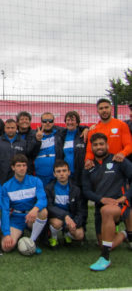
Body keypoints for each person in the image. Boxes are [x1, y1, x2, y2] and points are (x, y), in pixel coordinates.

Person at [82, 133, 132, 271]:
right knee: (103, 242)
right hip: (100, 207)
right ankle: (125, 234)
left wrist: (125, 197)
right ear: (91, 147)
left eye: (101, 144)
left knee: (107, 211)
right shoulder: (88, 166)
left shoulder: (118, 160)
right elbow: (86, 191)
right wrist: (101, 199)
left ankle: (105, 257)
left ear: (107, 145)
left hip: (120, 205)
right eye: (96, 145)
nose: (99, 147)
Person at [1, 154, 48, 254]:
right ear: (13, 167)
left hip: (31, 216)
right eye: (18, 165)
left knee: (43, 211)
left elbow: (43, 199)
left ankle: (32, 241)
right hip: (16, 219)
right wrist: (7, 233)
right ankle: (17, 235)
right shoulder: (6, 186)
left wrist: (35, 209)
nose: (22, 168)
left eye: (24, 165)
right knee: (6, 248)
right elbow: (5, 211)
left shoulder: (36, 181)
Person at [45, 160, 84, 248]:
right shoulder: (49, 188)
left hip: (71, 218)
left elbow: (80, 210)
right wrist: (65, 216)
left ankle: (67, 234)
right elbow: (49, 207)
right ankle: (54, 237)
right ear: (54, 174)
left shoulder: (76, 189)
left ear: (69, 172)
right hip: (56, 217)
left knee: (79, 235)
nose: (61, 174)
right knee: (57, 223)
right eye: (58, 171)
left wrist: (75, 223)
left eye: (64, 171)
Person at [85, 98, 132, 169]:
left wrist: (122, 154)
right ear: (97, 111)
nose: (104, 110)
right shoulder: (93, 130)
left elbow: (129, 145)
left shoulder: (121, 125)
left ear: (111, 108)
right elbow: (89, 150)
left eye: (106, 107)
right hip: (100, 167)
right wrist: (88, 160)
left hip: (118, 164)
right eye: (101, 108)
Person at [0, 119, 27, 185]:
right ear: (4, 129)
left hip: (17, 177)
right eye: (8, 128)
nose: (10, 130)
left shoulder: (23, 143)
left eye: (12, 128)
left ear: (16, 128)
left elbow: (27, 160)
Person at [33, 112, 63, 187]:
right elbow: (30, 151)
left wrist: (85, 129)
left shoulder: (60, 132)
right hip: (39, 173)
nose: (47, 123)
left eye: (50, 121)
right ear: (41, 122)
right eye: (44, 121)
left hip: (56, 173)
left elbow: (74, 128)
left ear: (54, 122)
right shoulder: (33, 134)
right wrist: (37, 140)